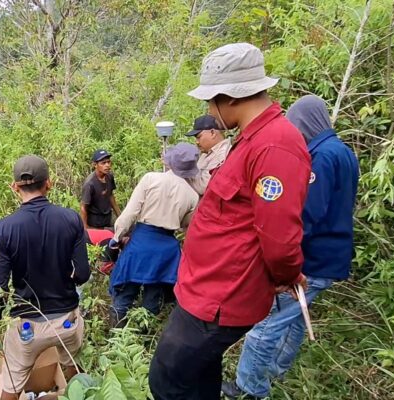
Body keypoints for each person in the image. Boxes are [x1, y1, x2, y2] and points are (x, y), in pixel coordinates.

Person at [148, 43, 311, 400]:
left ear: (232, 97)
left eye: (211, 101)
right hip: (206, 288)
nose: (209, 110)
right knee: (200, 376)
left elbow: (280, 235)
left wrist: (286, 274)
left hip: (221, 297)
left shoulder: (275, 146)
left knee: (168, 381)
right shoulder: (252, 140)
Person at [222, 95, 360, 399]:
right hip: (332, 255)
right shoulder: (343, 152)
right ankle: (276, 370)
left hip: (313, 258)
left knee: (266, 323)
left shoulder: (321, 157)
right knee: (296, 318)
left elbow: (308, 212)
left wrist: (285, 259)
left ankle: (249, 388)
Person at [0, 155, 91, 400]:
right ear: (49, 183)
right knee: (74, 371)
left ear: (15, 187)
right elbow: (82, 274)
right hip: (66, 321)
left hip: (28, 327)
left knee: (11, 383)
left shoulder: (3, 229)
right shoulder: (71, 219)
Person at [108, 143, 199, 327]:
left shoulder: (151, 179)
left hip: (141, 242)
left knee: (125, 292)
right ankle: (143, 341)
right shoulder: (192, 195)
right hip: (166, 250)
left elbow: (130, 213)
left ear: (171, 162)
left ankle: (116, 336)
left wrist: (117, 237)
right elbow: (184, 225)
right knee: (152, 297)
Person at [185, 114, 231, 195]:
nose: (197, 142)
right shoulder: (207, 152)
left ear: (212, 133)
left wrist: (183, 174)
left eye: (199, 137)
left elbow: (203, 187)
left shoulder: (221, 154)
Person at [80, 149, 121, 229]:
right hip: (95, 222)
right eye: (103, 163)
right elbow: (83, 207)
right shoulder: (90, 184)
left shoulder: (109, 176)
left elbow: (110, 196)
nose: (107, 165)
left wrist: (120, 216)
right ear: (95, 165)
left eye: (108, 162)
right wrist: (85, 228)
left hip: (107, 218)